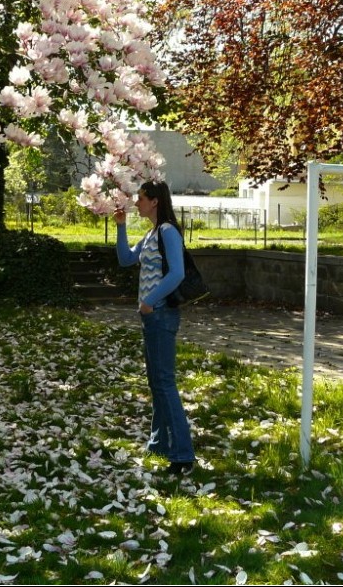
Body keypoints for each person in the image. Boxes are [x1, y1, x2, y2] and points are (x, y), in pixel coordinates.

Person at [114, 180, 196, 475]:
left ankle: (183, 455)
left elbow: (177, 273)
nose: (137, 203)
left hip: (160, 315)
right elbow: (125, 259)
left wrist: (149, 301)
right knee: (156, 383)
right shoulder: (151, 234)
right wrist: (121, 226)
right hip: (151, 317)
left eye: (141, 198)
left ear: (155, 201)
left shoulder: (168, 232)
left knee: (164, 383)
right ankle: (159, 444)